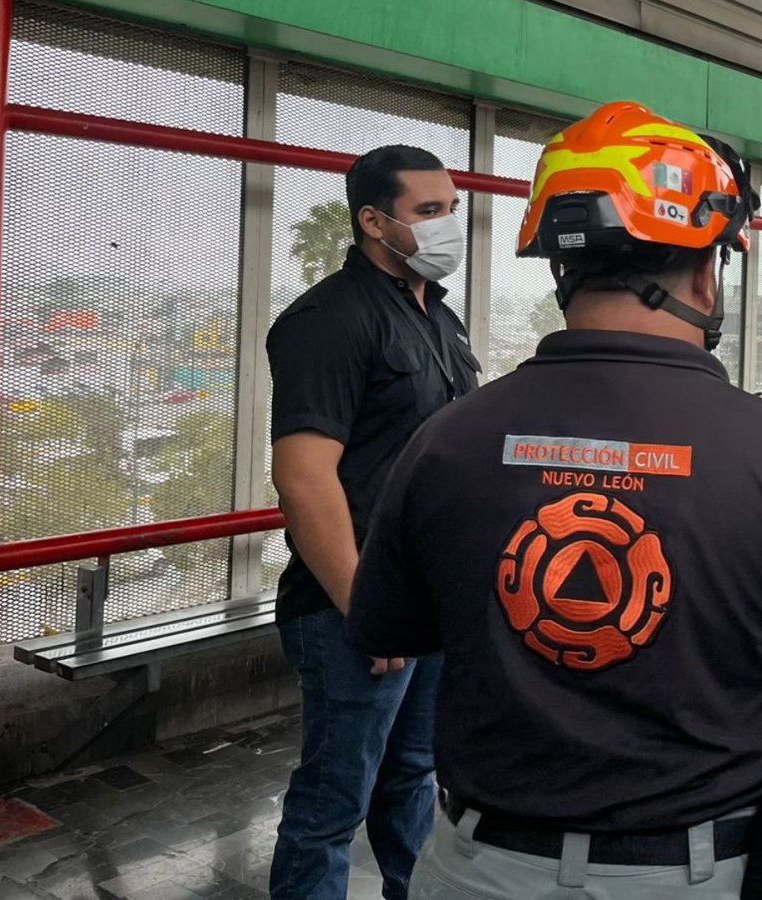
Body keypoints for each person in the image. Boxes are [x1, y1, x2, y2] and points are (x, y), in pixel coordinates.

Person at [345, 101, 762, 899]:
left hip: (476, 868)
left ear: (558, 266)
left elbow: (388, 625)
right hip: (694, 875)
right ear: (708, 271)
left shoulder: (448, 439)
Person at [266, 144, 482, 900]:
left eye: (452, 210)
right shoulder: (327, 321)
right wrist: (368, 609)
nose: (448, 226)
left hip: (428, 607)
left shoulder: (441, 321)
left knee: (413, 781)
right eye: (429, 212)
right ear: (373, 221)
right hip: (351, 612)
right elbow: (302, 477)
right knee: (332, 807)